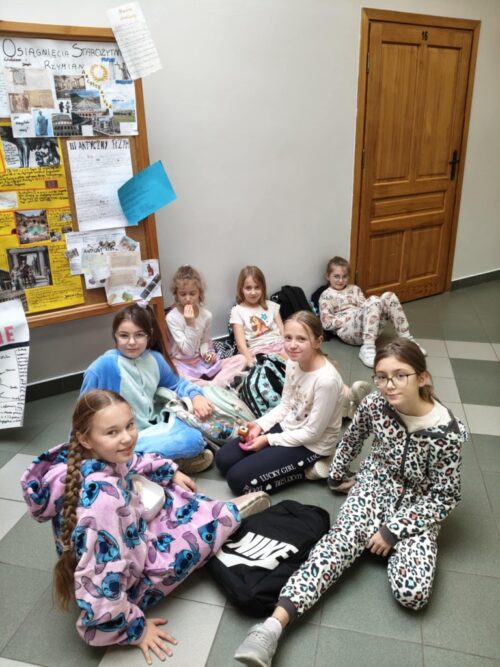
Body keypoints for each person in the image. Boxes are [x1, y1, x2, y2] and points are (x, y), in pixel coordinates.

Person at [233, 338, 467, 667]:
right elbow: (353, 439)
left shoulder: (448, 433)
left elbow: (445, 495)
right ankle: (271, 628)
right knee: (337, 544)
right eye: (381, 377)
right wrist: (336, 475)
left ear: (422, 377)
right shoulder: (374, 404)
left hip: (417, 504)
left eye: (400, 375)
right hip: (374, 486)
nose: (389, 385)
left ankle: (383, 543)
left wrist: (393, 531)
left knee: (413, 595)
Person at [21, 390, 270, 664]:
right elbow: (102, 581)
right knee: (197, 535)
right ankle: (228, 514)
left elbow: (133, 460)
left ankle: (214, 510)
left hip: (119, 538)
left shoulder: (79, 459)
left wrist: (170, 470)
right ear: (85, 438)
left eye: (129, 425)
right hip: (125, 578)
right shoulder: (103, 503)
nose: (127, 437)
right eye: (112, 432)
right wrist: (134, 629)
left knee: (170, 493)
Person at [216, 311, 362, 491]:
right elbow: (286, 406)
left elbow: (312, 434)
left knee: (237, 480)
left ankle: (312, 469)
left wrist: (268, 439)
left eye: (301, 339)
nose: (292, 345)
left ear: (318, 341)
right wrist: (260, 425)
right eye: (288, 338)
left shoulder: (326, 381)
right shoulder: (293, 363)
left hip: (313, 444)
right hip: (290, 426)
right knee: (223, 459)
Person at [80, 302, 215, 474]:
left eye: (139, 335)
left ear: (149, 335)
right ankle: (158, 466)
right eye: (124, 335)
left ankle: (146, 465)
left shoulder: (155, 359)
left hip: (150, 430)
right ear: (115, 336)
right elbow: (82, 414)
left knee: (194, 439)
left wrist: (196, 396)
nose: (131, 342)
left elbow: (177, 383)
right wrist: (79, 452)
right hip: (118, 437)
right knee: (112, 450)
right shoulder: (101, 367)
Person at [319, 256, 426, 367]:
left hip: (367, 327)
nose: (341, 280)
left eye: (344, 276)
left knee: (389, 296)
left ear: (349, 276)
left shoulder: (355, 289)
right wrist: (349, 317)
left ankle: (407, 340)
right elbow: (326, 324)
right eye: (336, 276)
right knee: (374, 299)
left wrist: (375, 306)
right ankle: (367, 348)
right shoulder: (326, 295)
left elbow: (367, 307)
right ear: (328, 276)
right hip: (348, 330)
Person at [166, 265, 246, 386]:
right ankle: (214, 384)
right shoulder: (172, 317)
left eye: (192, 293)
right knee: (174, 374)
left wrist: (207, 354)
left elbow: (204, 341)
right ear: (176, 295)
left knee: (241, 359)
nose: (188, 299)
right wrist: (190, 324)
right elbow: (188, 351)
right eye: (183, 294)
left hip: (200, 362)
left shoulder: (206, 315)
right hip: (182, 363)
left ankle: (210, 385)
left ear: (199, 293)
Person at [230, 265, 287, 368]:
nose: (253, 292)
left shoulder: (272, 306)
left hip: (280, 345)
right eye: (248, 288)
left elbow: (283, 332)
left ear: (263, 288)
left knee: (295, 363)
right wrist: (252, 364)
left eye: (257, 287)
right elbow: (241, 345)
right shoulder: (237, 311)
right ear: (241, 289)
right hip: (259, 351)